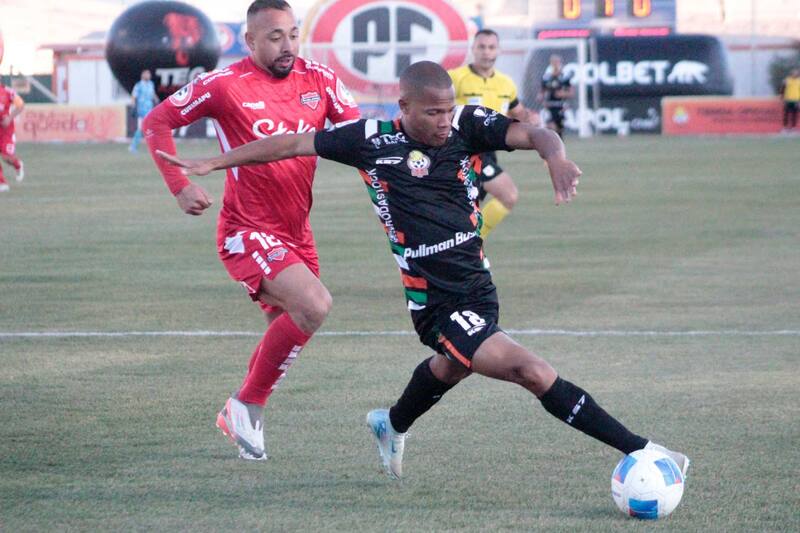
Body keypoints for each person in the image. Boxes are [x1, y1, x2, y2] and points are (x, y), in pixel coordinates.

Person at [157, 60, 690, 481]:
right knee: (531, 371)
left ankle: (391, 423)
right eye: (432, 112)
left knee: (452, 368)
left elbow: (535, 133)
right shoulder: (370, 141)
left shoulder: (466, 126)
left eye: (448, 111)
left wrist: (555, 157)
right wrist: (212, 164)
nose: (443, 121)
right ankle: (644, 451)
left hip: (479, 288)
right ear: (404, 107)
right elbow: (291, 142)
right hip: (435, 304)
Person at [143, 0, 360, 461]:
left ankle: (243, 412)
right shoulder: (224, 85)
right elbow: (157, 120)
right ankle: (245, 406)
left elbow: (359, 138)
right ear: (251, 41)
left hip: (297, 230)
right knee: (315, 304)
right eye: (275, 37)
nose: (288, 46)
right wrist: (179, 186)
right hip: (246, 228)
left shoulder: (320, 80)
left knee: (286, 328)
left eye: (293, 34)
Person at [448, 29, 540, 239]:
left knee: (465, 212)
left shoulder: (506, 84)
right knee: (508, 195)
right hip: (465, 152)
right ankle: (473, 241)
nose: (486, 52)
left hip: (488, 153)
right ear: (473, 49)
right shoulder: (456, 78)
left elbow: (518, 112)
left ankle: (464, 244)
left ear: (498, 50)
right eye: (481, 47)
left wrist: (531, 119)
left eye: (491, 47)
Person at [538, 54, 574, 139]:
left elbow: (571, 92)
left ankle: (558, 145)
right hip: (549, 105)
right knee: (551, 126)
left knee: (559, 128)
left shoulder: (565, 77)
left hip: (560, 105)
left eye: (557, 62)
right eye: (553, 62)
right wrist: (541, 97)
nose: (555, 64)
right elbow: (542, 91)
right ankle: (550, 144)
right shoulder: (546, 77)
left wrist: (563, 94)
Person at [0, 79, 25, 192]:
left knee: (6, 157)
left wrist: (9, 118)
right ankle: (2, 183)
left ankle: (18, 165)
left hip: (6, 130)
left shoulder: (8, 92)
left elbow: (20, 105)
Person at [129, 69, 159, 153]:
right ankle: (133, 146)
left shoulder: (151, 84)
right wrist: (133, 106)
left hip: (149, 109)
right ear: (143, 75)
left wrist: (157, 100)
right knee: (141, 128)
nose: (149, 76)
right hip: (141, 110)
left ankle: (154, 146)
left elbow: (152, 94)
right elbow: (134, 96)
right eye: (147, 74)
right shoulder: (138, 85)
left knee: (151, 127)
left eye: (149, 74)